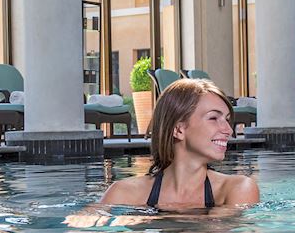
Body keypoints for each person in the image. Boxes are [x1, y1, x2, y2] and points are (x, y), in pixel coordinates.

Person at [100, 77, 258, 211]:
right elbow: (81, 224)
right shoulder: (124, 193)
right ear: (178, 129)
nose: (228, 130)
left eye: (227, 120)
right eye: (213, 118)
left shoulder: (238, 189)